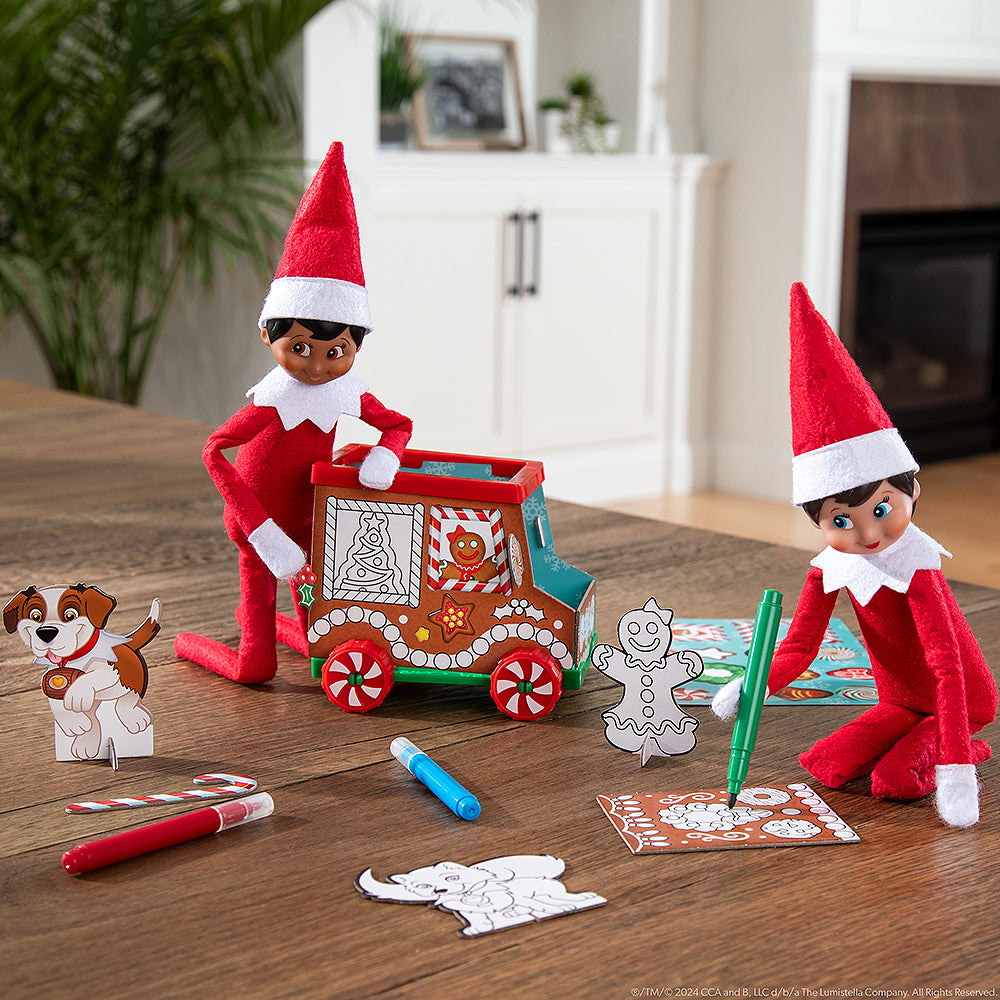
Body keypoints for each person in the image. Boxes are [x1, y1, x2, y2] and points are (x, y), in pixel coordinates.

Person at [714, 283, 997, 827]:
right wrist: (749, 688)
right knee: (824, 764)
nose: (868, 533)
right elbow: (799, 646)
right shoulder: (828, 569)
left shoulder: (916, 567)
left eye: (882, 508)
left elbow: (949, 670)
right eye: (841, 521)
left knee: (892, 783)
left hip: (958, 699)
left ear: (912, 492)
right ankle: (912, 736)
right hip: (898, 697)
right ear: (818, 522)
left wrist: (958, 763)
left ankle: (957, 748)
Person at [174, 142, 412, 684]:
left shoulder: (347, 393)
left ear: (356, 345)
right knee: (256, 665)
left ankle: (287, 630)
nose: (319, 367)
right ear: (267, 332)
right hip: (259, 524)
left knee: (317, 628)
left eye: (338, 352)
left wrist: (383, 458)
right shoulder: (272, 399)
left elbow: (398, 425)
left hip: (311, 519)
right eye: (300, 348)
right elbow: (214, 451)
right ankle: (216, 644)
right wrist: (259, 528)